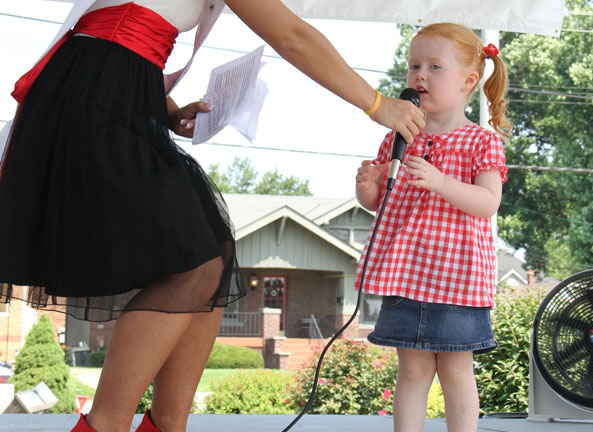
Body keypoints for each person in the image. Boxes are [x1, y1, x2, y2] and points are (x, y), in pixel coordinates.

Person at [0, 1, 424, 431]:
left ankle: (167, 424)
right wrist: (376, 104)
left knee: (214, 255)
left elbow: (119, 38)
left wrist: (166, 110)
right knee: (196, 264)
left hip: (111, 94)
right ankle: (104, 424)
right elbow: (291, 36)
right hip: (92, 103)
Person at [354, 22, 511, 432]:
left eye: (434, 66)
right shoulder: (399, 137)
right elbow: (381, 203)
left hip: (457, 280)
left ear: (468, 80)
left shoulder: (481, 142)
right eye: (414, 66)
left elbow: (488, 202)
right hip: (406, 276)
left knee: (456, 372)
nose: (419, 75)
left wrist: (442, 183)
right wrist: (367, 189)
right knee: (412, 371)